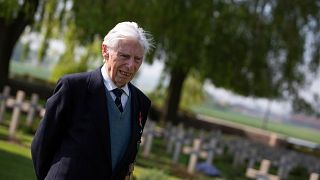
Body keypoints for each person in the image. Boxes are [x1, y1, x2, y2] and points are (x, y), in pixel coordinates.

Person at [31, 21, 153, 180]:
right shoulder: (73, 88)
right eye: (124, 56)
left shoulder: (142, 103)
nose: (130, 65)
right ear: (105, 51)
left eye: (137, 59)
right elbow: (42, 144)